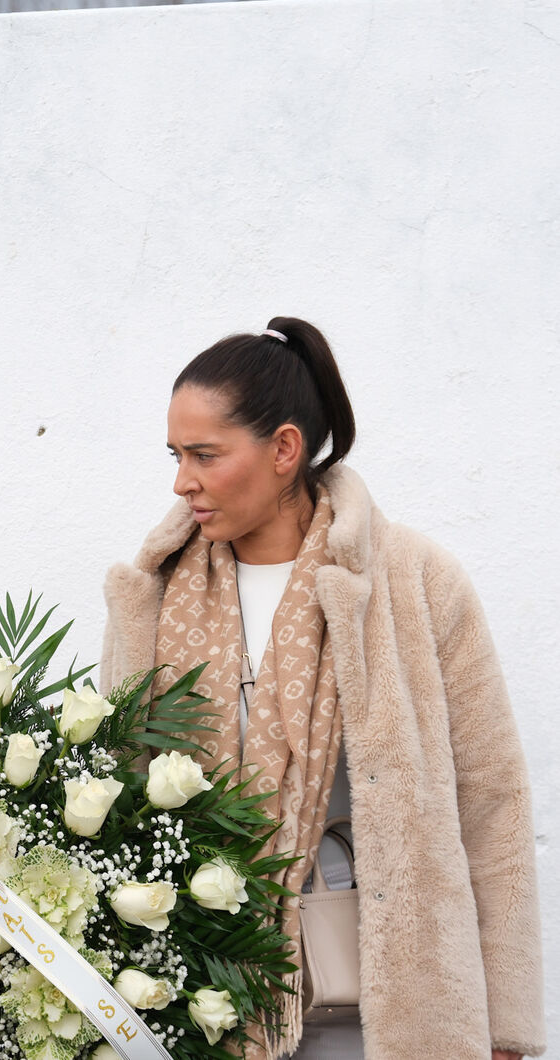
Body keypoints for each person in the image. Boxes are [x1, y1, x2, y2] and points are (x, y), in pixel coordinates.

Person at [99, 318, 545, 1060]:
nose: (183, 480)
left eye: (205, 455)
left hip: (387, 1011)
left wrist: (505, 1026)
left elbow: (492, 799)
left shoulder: (411, 580)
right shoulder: (152, 595)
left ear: (283, 449)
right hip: (207, 1003)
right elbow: (120, 799)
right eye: (177, 455)